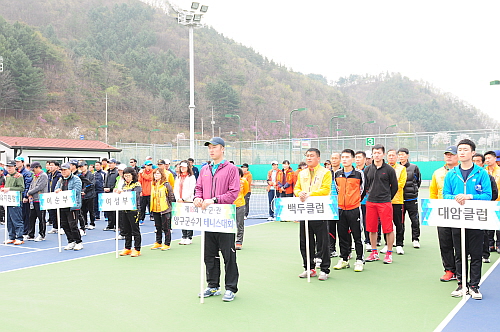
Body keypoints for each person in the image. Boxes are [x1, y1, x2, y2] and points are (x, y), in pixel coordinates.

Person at [443, 139, 492, 300]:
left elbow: (488, 195)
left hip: (476, 219)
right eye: (460, 149)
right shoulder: (451, 174)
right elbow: (445, 195)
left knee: (476, 253)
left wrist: (470, 196)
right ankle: (461, 284)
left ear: (472, 153)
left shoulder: (481, 173)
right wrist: (456, 197)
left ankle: (474, 286)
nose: (462, 152)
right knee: (460, 253)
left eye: (465, 149)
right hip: (457, 219)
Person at [194, 137, 240, 302]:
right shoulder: (205, 169)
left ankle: (230, 288)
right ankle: (213, 285)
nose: (211, 150)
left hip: (224, 218)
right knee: (209, 254)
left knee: (228, 254)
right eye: (210, 148)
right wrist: (197, 198)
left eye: (215, 147)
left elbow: (233, 193)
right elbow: (198, 188)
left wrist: (214, 200)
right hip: (208, 219)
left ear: (222, 149)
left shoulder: (232, 169)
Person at [294, 148, 332, 281]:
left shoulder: (325, 172)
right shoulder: (302, 173)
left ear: (318, 158)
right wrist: (300, 193)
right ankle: (308, 268)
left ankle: (324, 269)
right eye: (307, 156)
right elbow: (297, 188)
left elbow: (325, 189)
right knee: (305, 241)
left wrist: (309, 194)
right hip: (305, 212)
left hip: (319, 211)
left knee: (322, 241)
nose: (309, 158)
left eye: (312, 156)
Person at [364, 144, 398, 264]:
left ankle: (389, 253)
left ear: (383, 154)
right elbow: (365, 186)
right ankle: (374, 252)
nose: (376, 155)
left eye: (379, 153)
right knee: (372, 228)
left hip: (385, 203)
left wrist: (387, 198)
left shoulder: (389, 170)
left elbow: (395, 187)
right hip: (371, 202)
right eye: (374, 153)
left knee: (388, 228)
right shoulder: (368, 169)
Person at [430, 146, 460, 282]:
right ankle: (449, 270)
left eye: (452, 155)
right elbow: (433, 192)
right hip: (443, 213)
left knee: (460, 243)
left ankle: (461, 271)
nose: (449, 157)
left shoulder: (463, 172)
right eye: (447, 154)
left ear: (458, 156)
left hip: (460, 213)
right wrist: (435, 209)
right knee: (445, 242)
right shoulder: (437, 173)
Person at [333, 149, 366, 272]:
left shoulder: (359, 174)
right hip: (341, 209)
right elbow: (338, 190)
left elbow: (363, 189)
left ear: (352, 159)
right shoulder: (337, 174)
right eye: (343, 157)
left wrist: (354, 201)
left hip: (354, 209)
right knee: (342, 236)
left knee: (357, 235)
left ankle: (359, 260)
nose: (345, 159)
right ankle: (344, 259)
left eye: (347, 157)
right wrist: (342, 201)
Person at [472, 152, 498, 264]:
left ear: (482, 163)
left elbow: (494, 194)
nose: (476, 163)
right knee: (470, 232)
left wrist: (486, 203)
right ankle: (470, 253)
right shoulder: (467, 177)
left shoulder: (488, 177)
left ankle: (485, 254)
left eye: (478, 161)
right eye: (474, 161)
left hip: (484, 209)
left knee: (484, 233)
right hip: (469, 210)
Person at [381, 149, 407, 255]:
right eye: (389, 155)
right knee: (386, 223)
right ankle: (387, 244)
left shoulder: (402, 169)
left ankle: (399, 245)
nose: (391, 157)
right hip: (385, 201)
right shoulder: (383, 168)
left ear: (396, 157)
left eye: (393, 155)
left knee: (399, 224)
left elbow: (401, 184)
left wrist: (389, 187)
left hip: (397, 201)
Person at [397, 148, 422, 248]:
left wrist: (413, 191)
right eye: (399, 155)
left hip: (411, 199)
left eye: (403, 154)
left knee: (414, 220)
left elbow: (418, 181)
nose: (401, 156)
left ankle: (415, 239)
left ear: (407, 156)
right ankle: (399, 241)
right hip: (399, 199)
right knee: (400, 221)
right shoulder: (396, 168)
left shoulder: (414, 167)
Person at [55, 163, 83, 251]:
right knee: (64, 224)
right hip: (62, 205)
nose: (63, 172)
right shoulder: (60, 180)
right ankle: (70, 241)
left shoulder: (76, 179)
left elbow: (76, 191)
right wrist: (57, 190)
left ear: (69, 169)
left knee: (73, 225)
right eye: (62, 170)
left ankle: (78, 242)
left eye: (65, 170)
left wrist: (63, 192)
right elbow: (56, 189)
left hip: (73, 206)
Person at [115, 167, 142, 257]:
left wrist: (123, 192)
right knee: (126, 230)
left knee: (135, 230)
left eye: (128, 176)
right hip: (125, 209)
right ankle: (127, 248)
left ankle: (137, 249)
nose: (127, 178)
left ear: (133, 176)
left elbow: (135, 196)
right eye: (125, 176)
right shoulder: (124, 185)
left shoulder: (136, 185)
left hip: (134, 210)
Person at [150, 168, 175, 250]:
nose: (156, 175)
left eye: (158, 174)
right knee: (158, 227)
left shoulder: (166, 185)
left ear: (162, 175)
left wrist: (171, 207)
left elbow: (171, 196)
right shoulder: (153, 184)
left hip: (165, 209)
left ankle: (167, 243)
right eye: (155, 174)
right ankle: (158, 242)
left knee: (166, 227)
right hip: (155, 209)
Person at [1, 160, 25, 245]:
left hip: (16, 201)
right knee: (9, 220)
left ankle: (19, 237)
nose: (9, 168)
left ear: (15, 167)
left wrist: (9, 189)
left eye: (10, 167)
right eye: (8, 167)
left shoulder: (19, 176)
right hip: (8, 200)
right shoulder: (7, 176)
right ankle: (11, 236)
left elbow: (21, 188)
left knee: (17, 219)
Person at [173, 160, 197, 245]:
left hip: (188, 201)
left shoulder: (191, 177)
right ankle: (183, 236)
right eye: (181, 167)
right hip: (180, 201)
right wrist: (178, 198)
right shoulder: (178, 177)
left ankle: (189, 237)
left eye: (184, 167)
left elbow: (191, 190)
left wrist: (183, 198)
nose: (182, 169)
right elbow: (175, 188)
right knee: (182, 219)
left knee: (189, 219)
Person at [26, 162, 49, 242]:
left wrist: (29, 192)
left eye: (34, 169)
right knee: (32, 217)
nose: (33, 171)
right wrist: (29, 193)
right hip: (33, 200)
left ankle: (42, 234)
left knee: (41, 218)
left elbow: (39, 187)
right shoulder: (35, 176)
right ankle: (31, 234)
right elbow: (32, 185)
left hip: (41, 199)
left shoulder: (43, 175)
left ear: (38, 167)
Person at [484, 150, 500, 253]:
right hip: (487, 202)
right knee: (489, 224)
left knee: (498, 224)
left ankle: (499, 244)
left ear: (495, 158)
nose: (487, 160)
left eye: (489, 158)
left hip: (498, 201)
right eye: (486, 159)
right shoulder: (483, 172)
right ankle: (490, 244)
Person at [355, 151, 371, 249]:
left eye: (359, 157)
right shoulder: (353, 171)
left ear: (365, 160)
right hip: (354, 202)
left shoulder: (368, 171)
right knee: (355, 223)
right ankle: (356, 241)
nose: (357, 159)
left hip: (366, 201)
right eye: (356, 157)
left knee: (366, 222)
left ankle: (368, 241)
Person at [327, 152, 341, 258]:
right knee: (330, 228)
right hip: (330, 205)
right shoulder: (327, 173)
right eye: (332, 158)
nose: (334, 160)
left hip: (343, 205)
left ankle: (346, 250)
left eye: (336, 158)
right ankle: (332, 249)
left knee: (343, 229)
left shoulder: (344, 172)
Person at [15, 156, 32, 239]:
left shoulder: (26, 172)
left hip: (23, 196)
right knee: (18, 215)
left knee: (25, 215)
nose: (17, 163)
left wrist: (26, 196)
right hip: (16, 196)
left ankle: (26, 232)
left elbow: (28, 185)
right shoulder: (15, 172)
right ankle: (19, 231)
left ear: (22, 162)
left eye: (18, 162)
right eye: (16, 162)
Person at [234, 168, 250, 249]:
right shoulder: (229, 181)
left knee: (240, 224)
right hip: (229, 205)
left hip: (240, 204)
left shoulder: (244, 181)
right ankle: (227, 242)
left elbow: (246, 191)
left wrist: (240, 198)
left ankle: (239, 242)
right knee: (228, 224)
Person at [78, 161, 96, 231]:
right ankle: (85, 223)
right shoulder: (79, 175)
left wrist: (85, 191)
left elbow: (92, 184)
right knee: (83, 211)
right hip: (82, 196)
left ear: (86, 166)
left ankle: (92, 223)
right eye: (80, 167)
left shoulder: (91, 175)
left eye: (83, 166)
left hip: (90, 195)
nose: (82, 168)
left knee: (91, 210)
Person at [103, 158, 119, 231]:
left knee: (115, 211)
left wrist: (111, 189)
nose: (109, 164)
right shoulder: (107, 172)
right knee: (109, 210)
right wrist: (104, 187)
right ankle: (110, 225)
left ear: (115, 164)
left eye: (111, 163)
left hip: (114, 193)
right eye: (109, 163)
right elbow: (105, 182)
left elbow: (117, 183)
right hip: (107, 193)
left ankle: (117, 225)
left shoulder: (117, 172)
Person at [138, 160, 154, 225]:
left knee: (152, 207)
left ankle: (153, 218)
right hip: (144, 192)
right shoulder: (141, 173)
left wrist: (143, 174)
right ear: (145, 166)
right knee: (142, 207)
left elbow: (150, 178)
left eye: (150, 165)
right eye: (148, 165)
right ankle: (141, 219)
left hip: (151, 192)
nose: (149, 167)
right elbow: (139, 182)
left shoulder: (153, 172)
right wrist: (140, 191)